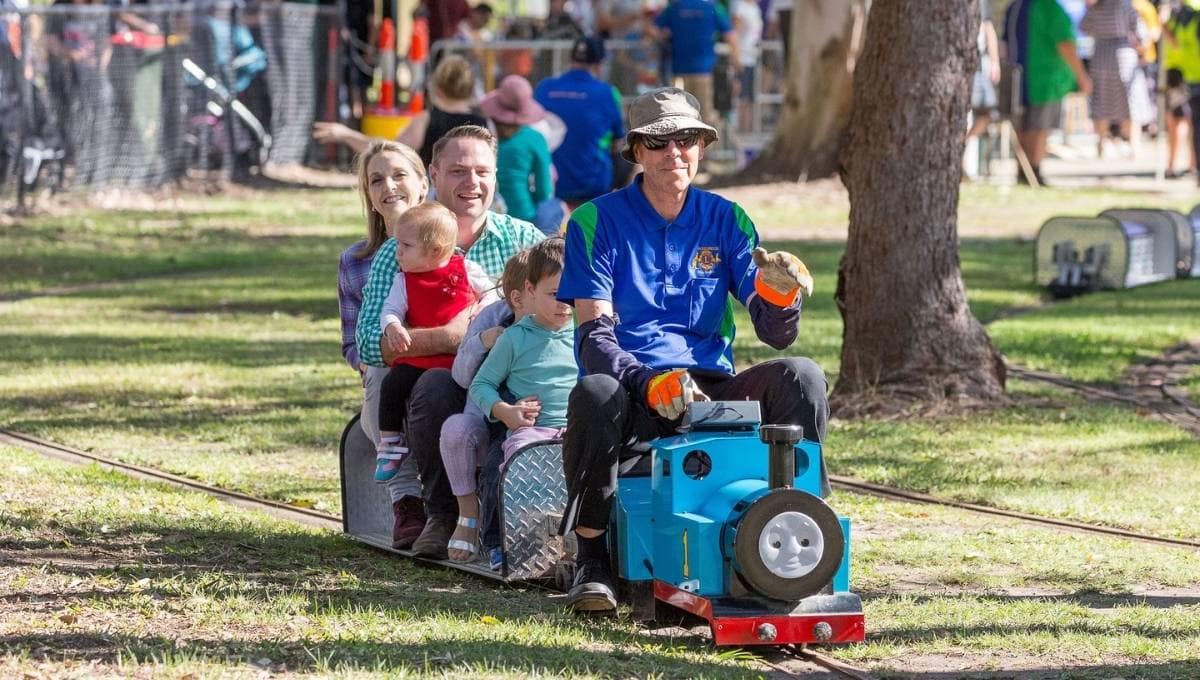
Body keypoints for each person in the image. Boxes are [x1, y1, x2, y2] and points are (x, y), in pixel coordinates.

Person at [556, 88, 824, 614]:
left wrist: (779, 293)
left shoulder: (729, 219)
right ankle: (591, 559)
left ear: (702, 146)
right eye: (658, 142)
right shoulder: (594, 221)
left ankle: (801, 528)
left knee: (803, 376)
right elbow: (594, 339)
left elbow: (776, 334)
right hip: (634, 390)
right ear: (636, 151)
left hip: (710, 388)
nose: (673, 152)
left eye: (686, 139)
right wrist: (647, 382)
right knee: (593, 391)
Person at [356, 125, 546, 559]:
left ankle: (529, 512)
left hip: (513, 374)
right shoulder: (401, 246)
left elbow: (559, 309)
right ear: (434, 174)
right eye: (458, 170)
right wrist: (449, 337)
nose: (472, 183)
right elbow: (369, 342)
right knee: (432, 387)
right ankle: (440, 513)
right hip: (439, 376)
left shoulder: (524, 240)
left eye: (482, 171)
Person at [374, 202, 499, 483]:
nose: (398, 253)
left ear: (435, 251)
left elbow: (491, 292)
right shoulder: (403, 281)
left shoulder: (465, 268)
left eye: (406, 246)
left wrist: (483, 307)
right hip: (420, 361)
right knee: (392, 385)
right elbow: (390, 310)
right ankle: (390, 443)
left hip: (465, 358)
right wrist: (393, 326)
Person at [348, 139, 432, 550]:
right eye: (376, 179)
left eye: (399, 175)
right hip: (385, 367)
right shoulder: (356, 261)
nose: (389, 186)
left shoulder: (446, 244)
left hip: (443, 361)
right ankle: (407, 501)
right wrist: (365, 361)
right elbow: (351, 340)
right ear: (368, 195)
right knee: (381, 386)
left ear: (422, 183)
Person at [440, 249, 532, 566]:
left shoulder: (564, 319)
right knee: (462, 434)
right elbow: (463, 377)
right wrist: (483, 341)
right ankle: (469, 515)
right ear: (516, 297)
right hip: (489, 418)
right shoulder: (495, 318)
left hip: (542, 422)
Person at [313, 55, 487, 169]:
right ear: (471, 88)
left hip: (437, 203)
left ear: (438, 88)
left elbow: (388, 150)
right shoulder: (485, 123)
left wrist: (346, 134)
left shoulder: (426, 120)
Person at [1003, 0, 1093, 186]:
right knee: (1039, 127)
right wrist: (1082, 75)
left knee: (1025, 126)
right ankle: (1034, 171)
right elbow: (1065, 43)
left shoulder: (1015, 7)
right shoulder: (1048, 7)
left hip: (1017, 77)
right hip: (1045, 79)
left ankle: (1025, 172)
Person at [534, 37, 626, 209]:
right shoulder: (607, 93)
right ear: (599, 64)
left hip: (548, 186)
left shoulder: (543, 88)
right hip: (593, 189)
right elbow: (617, 142)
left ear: (571, 60)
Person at [479, 75, 558, 232]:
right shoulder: (535, 139)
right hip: (523, 214)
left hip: (484, 211)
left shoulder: (482, 136)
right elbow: (544, 189)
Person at [651, 0, 738, 124]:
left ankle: (682, 142)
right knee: (704, 116)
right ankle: (706, 143)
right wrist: (736, 61)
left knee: (678, 115)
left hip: (679, 70)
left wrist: (664, 39)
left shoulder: (675, 7)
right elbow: (730, 35)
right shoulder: (713, 8)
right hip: (704, 72)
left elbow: (652, 28)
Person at [1081, 0, 1141, 158]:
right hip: (1124, 55)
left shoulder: (1096, 8)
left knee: (1102, 99)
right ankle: (1133, 144)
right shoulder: (1126, 5)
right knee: (1130, 100)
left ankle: (1102, 142)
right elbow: (1140, 30)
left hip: (1100, 56)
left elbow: (1084, 27)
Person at [1165, 0, 1200, 185]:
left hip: (1185, 77)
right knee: (1182, 121)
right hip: (1181, 77)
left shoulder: (1185, 14)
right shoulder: (1177, 15)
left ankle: (1193, 165)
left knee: (1189, 123)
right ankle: (1186, 165)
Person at [965, 0, 1000, 178]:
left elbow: (988, 27)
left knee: (989, 112)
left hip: (979, 64)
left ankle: (962, 146)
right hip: (963, 63)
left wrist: (995, 61)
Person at [731, 0, 763, 134]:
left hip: (753, 58)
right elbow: (734, 33)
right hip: (742, 58)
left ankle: (747, 130)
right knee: (740, 97)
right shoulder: (738, 5)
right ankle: (737, 131)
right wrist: (736, 57)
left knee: (750, 98)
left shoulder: (755, 7)